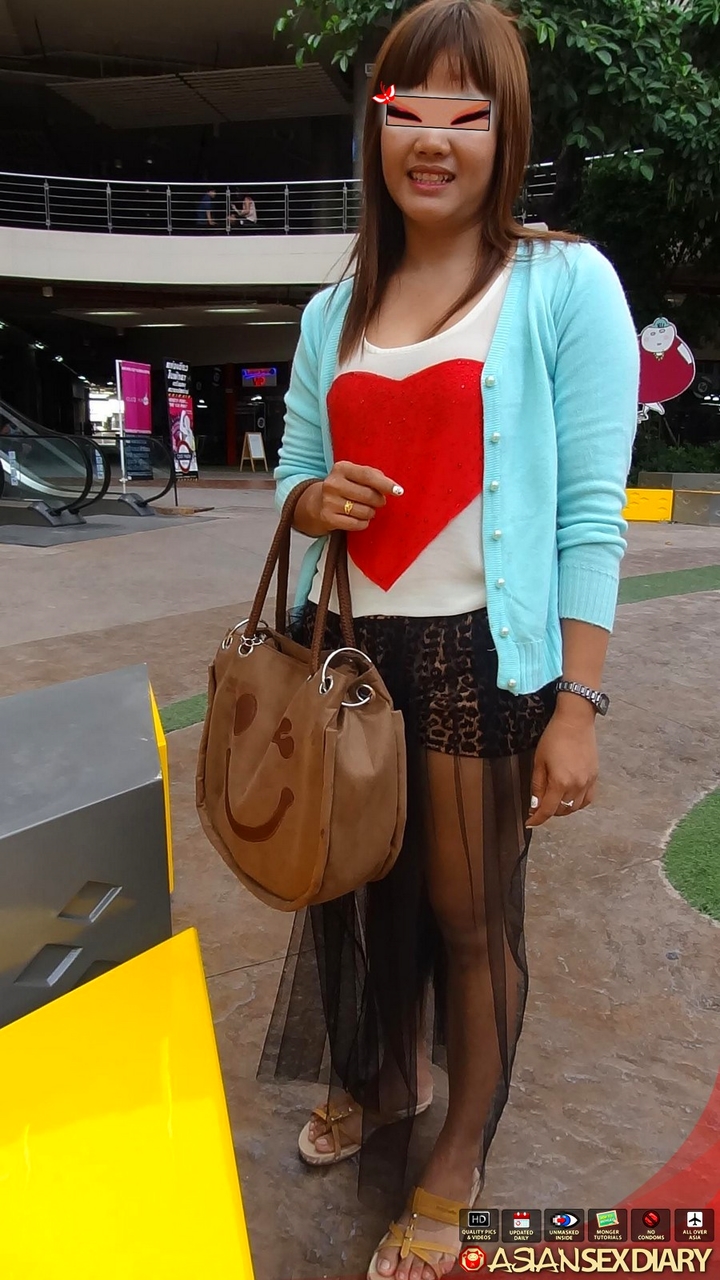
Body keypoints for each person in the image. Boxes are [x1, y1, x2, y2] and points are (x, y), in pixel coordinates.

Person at [263, 1, 639, 1277]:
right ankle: (382, 1075)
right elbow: (293, 464)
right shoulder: (335, 307)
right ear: (375, 128)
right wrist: (310, 499)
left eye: (464, 114)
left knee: (468, 917)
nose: (433, 139)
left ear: (505, 132)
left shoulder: (563, 284)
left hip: (482, 660)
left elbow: (591, 513)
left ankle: (459, 1149)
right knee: (359, 894)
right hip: (348, 652)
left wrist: (579, 702)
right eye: (405, 110)